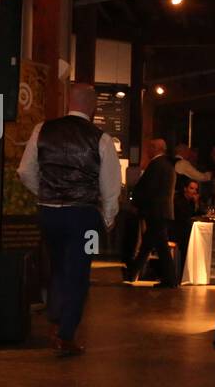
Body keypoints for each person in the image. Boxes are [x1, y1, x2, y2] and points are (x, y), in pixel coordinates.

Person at [16, 82, 120, 356]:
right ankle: (66, 334)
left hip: (48, 212)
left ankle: (56, 318)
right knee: (79, 272)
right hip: (84, 216)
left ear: (68, 103)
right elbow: (110, 186)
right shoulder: (101, 138)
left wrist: (45, 192)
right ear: (93, 106)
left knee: (58, 266)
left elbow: (25, 171)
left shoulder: (42, 130)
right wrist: (108, 217)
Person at [124, 138, 177, 287]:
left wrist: (136, 204)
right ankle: (133, 273)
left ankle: (170, 280)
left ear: (156, 148)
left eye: (150, 147)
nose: (148, 150)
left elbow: (148, 189)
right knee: (151, 244)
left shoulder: (156, 164)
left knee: (159, 247)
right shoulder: (168, 165)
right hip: (163, 211)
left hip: (156, 211)